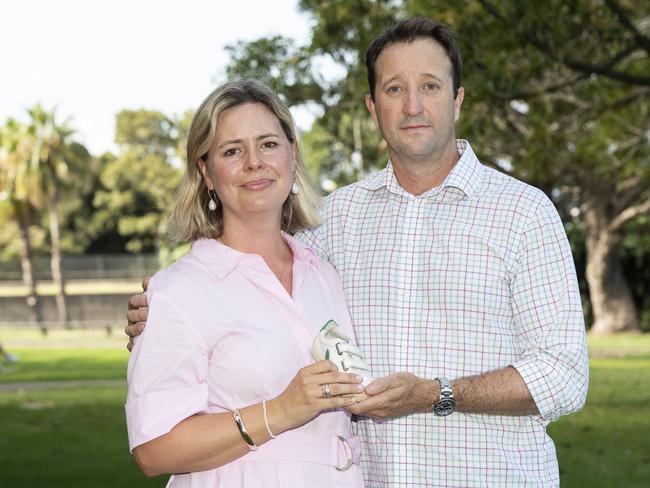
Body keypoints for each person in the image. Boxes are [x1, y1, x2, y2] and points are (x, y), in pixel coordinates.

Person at [127, 18, 589, 487]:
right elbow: (244, 275)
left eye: (429, 85)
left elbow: (564, 375)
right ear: (373, 107)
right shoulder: (335, 220)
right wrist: (158, 310)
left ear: (457, 98)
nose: (412, 106)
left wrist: (436, 394)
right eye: (394, 89)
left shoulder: (524, 213)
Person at [125, 78, 367, 487]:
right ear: (206, 173)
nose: (254, 162)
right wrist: (281, 410)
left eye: (268, 144)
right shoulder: (179, 290)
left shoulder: (325, 275)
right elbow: (154, 449)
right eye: (232, 151)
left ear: (292, 154)